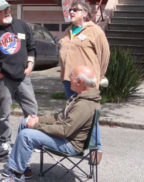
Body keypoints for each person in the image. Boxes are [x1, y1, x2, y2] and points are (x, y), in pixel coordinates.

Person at [0, 65, 101, 182]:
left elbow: (64, 131)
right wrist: (38, 119)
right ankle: (22, 168)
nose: (68, 78)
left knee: (26, 135)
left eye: (71, 76)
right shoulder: (81, 97)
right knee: (25, 122)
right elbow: (58, 117)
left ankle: (16, 176)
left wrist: (36, 126)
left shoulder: (84, 105)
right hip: (67, 136)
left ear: (79, 81)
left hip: (70, 144)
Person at [0, 0, 38, 151]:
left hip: (23, 76)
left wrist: (30, 65)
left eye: (8, 9)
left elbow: (31, 47)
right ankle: (5, 140)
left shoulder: (21, 25)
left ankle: (31, 138)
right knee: (4, 113)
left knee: (32, 109)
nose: (7, 12)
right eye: (3, 10)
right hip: (3, 79)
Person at [59, 0, 110, 163]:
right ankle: (75, 144)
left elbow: (105, 55)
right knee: (74, 114)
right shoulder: (67, 32)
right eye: (70, 9)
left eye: (75, 9)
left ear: (85, 13)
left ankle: (96, 147)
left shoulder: (95, 31)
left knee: (89, 115)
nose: (71, 12)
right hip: (69, 81)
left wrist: (97, 77)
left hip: (87, 83)